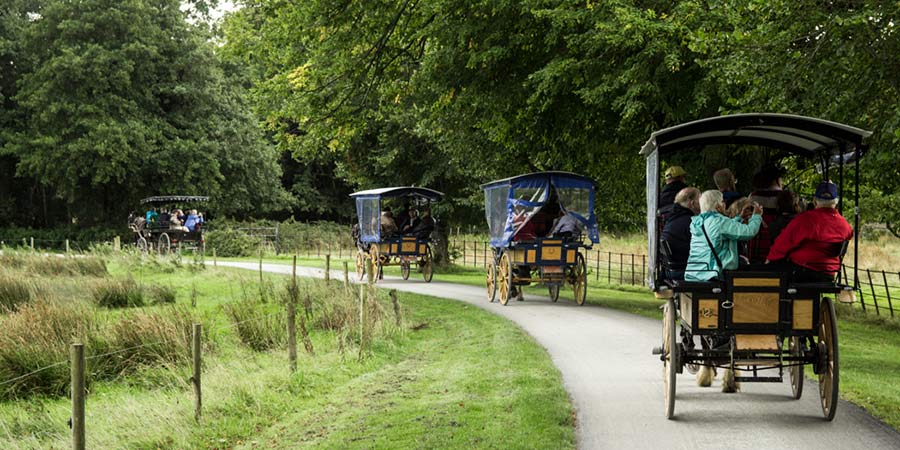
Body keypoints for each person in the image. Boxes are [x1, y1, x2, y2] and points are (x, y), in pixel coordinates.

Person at [766, 181, 853, 282]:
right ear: (836, 202)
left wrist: (770, 258)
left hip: (802, 271)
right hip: (829, 273)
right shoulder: (845, 225)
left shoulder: (805, 219)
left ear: (815, 201)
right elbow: (848, 236)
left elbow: (783, 243)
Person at [684, 190, 763, 282]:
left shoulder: (698, 222)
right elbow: (749, 232)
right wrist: (757, 216)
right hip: (711, 273)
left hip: (696, 271)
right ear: (717, 206)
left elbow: (721, 230)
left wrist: (739, 218)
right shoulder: (719, 221)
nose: (724, 203)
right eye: (722, 201)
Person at [661, 187, 700, 279]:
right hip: (682, 268)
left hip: (671, 268)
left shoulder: (671, 218)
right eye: (700, 200)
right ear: (693, 203)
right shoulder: (691, 222)